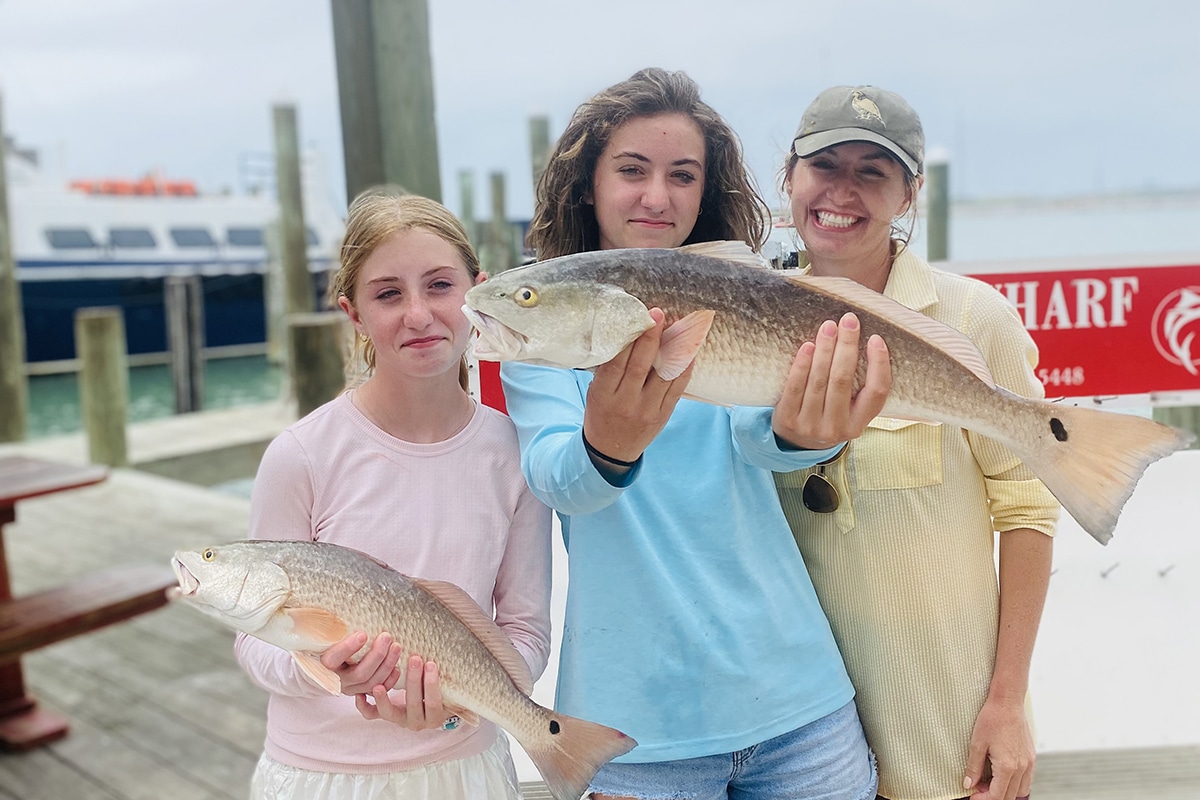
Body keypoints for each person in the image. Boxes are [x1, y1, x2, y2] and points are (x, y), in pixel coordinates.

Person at [501, 67, 891, 800]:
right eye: (631, 170)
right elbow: (559, 479)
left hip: (798, 704)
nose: (657, 196)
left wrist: (816, 433)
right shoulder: (548, 327)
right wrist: (607, 445)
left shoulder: (738, 296)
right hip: (632, 729)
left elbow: (763, 437)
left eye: (683, 175)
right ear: (587, 182)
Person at [773, 85, 1058, 800]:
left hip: (944, 733)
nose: (843, 190)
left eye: (873, 172)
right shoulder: (749, 322)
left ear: (909, 195)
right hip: (798, 742)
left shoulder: (973, 319)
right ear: (789, 177)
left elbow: (1028, 508)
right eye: (825, 165)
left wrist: (1006, 706)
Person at [234, 188, 553, 800]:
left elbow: (525, 628)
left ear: (478, 292)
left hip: (467, 769)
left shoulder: (514, 450)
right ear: (354, 315)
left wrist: (459, 709)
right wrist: (325, 669)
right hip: (319, 774)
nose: (418, 314)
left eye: (439, 286)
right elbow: (254, 639)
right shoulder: (300, 455)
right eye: (388, 294)